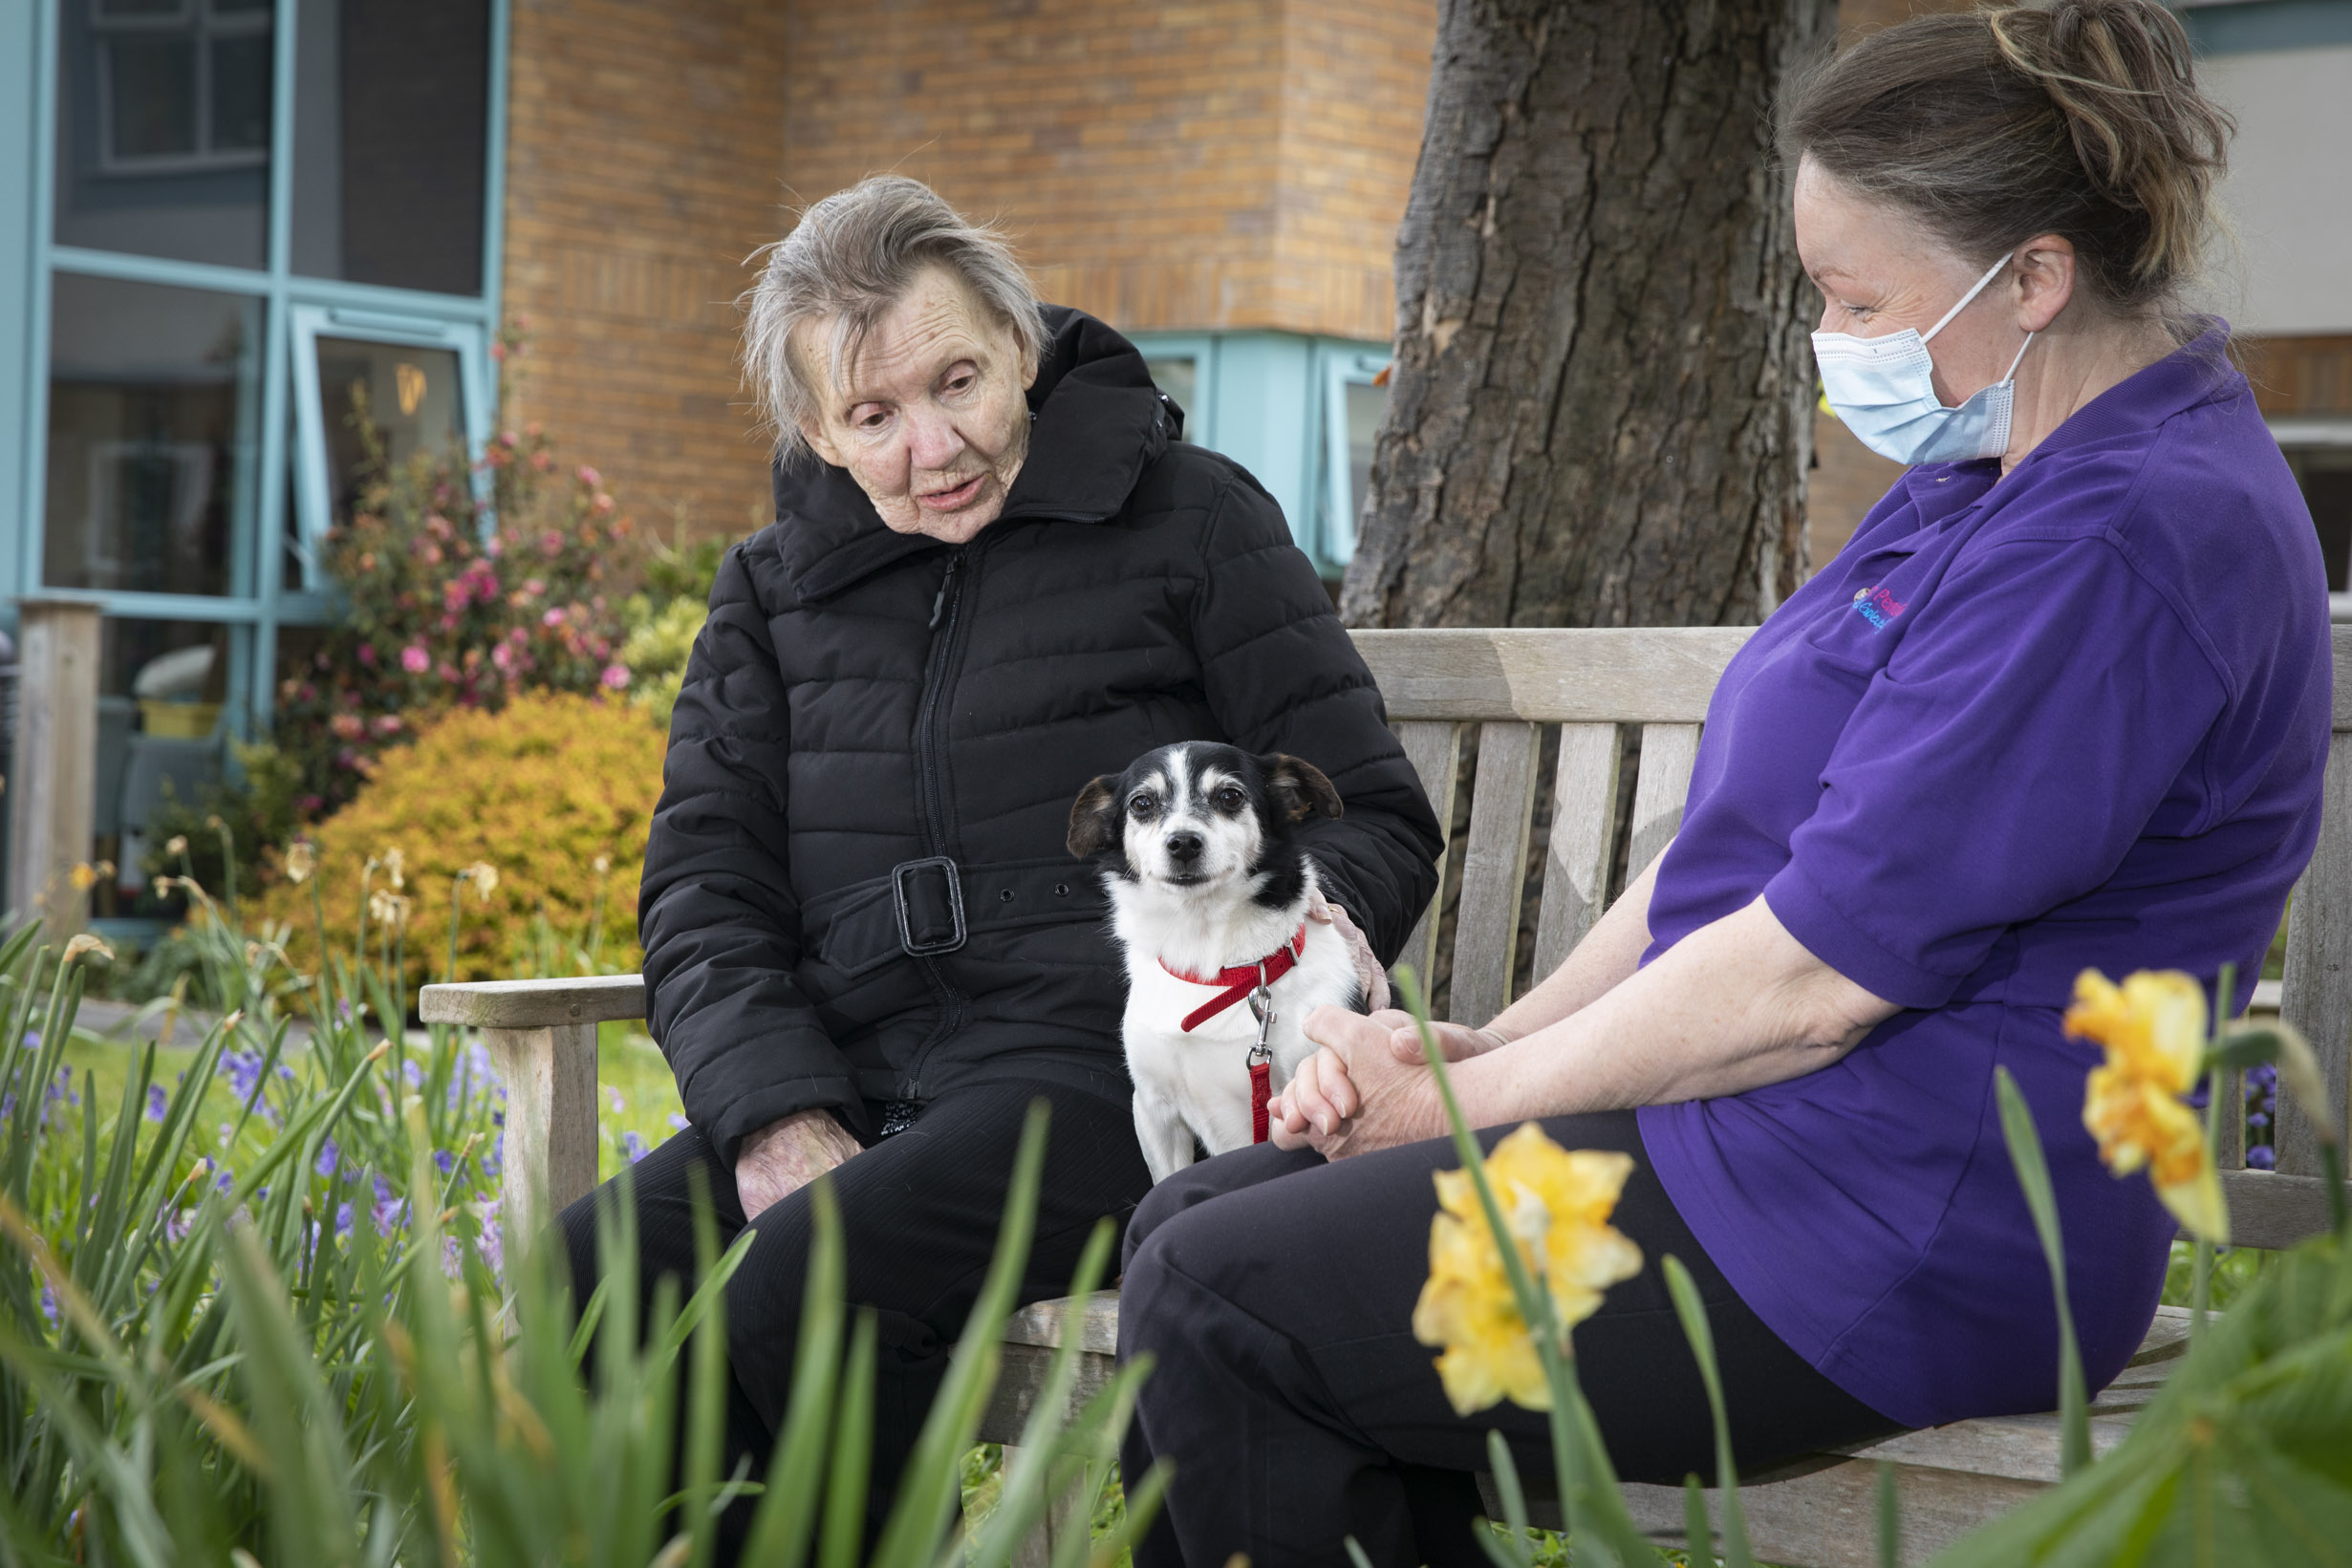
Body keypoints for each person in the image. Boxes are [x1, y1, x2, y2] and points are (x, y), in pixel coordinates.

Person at [1115, 4, 2332, 1563]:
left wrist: (1463, 1101)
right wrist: (1496, 1038)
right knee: (1194, 1232)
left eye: (1855, 298)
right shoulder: (1981, 482)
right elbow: (1741, 843)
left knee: (1224, 1300)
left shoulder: (2124, 541)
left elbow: (1818, 975)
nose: (1833, 342)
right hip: (1764, 1144)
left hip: (1901, 1227)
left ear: (2033, 275)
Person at [560, 178, 1442, 1540]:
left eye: (959, 379)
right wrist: (773, 1110)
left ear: (1021, 345)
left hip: (1107, 1064)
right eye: (874, 416)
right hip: (852, 1061)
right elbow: (701, 892)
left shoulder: (1193, 518)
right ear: (816, 430)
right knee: (589, 1278)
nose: (935, 444)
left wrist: (1285, 951)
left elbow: (1367, 811)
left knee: (809, 1279)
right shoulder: (769, 593)